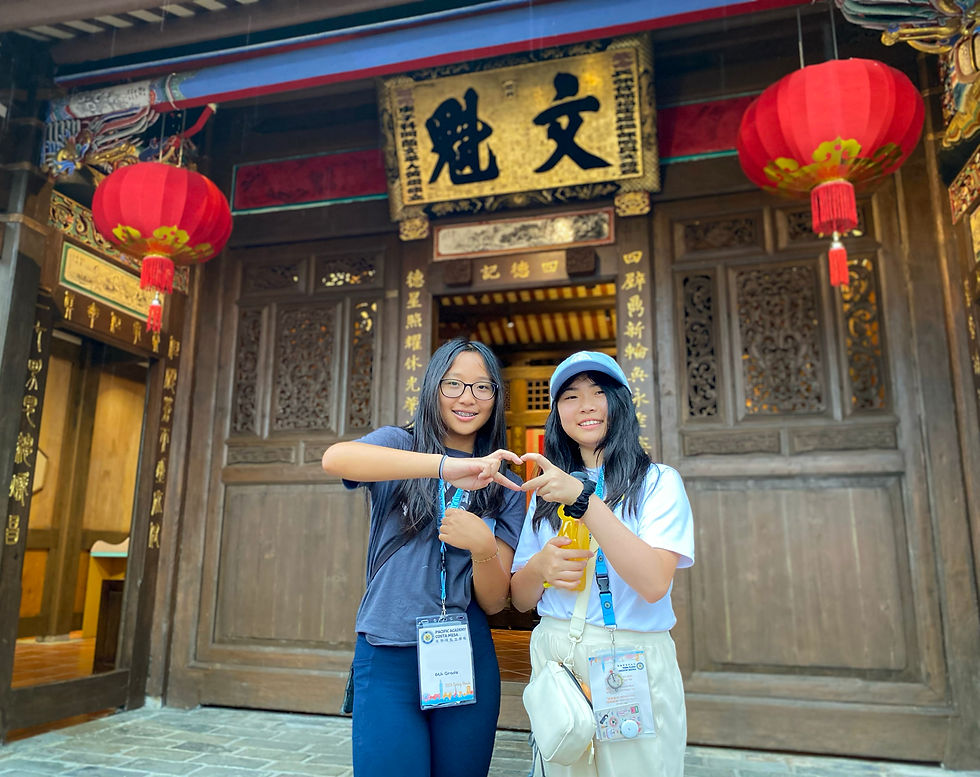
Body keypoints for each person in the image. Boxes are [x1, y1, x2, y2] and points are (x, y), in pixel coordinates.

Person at [321, 337, 524, 777]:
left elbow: (494, 601)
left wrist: (484, 548)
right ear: (433, 387)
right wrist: (442, 466)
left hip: (464, 654)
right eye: (454, 384)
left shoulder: (505, 485)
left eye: (482, 387)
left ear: (496, 398)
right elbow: (336, 459)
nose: (467, 398)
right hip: (386, 649)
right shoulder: (399, 443)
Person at [510, 351, 695, 777]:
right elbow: (520, 599)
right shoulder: (545, 493)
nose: (586, 406)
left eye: (598, 392)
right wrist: (540, 568)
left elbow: (654, 583)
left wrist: (583, 499)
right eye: (570, 397)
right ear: (557, 414)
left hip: (630, 657)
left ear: (621, 403)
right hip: (559, 656)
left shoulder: (658, 483)